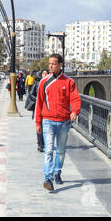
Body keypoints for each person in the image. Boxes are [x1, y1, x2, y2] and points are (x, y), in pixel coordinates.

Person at [35, 54, 81, 192]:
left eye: (54, 64)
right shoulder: (44, 82)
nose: (50, 66)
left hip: (64, 122)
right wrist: (38, 122)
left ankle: (57, 172)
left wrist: (75, 111)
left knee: (61, 151)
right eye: (49, 63)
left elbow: (75, 99)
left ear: (60, 64)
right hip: (48, 121)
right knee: (48, 150)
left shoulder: (69, 82)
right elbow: (39, 103)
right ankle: (48, 178)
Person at [25, 69, 49, 152]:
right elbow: (31, 94)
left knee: (47, 127)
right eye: (43, 73)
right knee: (39, 126)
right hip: (38, 108)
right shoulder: (37, 83)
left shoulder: (50, 83)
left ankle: (46, 143)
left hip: (48, 109)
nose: (45, 75)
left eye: (47, 73)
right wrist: (38, 100)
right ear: (41, 74)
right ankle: (40, 144)